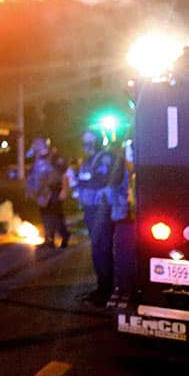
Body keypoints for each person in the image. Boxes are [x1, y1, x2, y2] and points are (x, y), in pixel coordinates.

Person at [76, 130, 128, 306]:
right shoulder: (90, 160)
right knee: (98, 250)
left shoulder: (106, 157)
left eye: (90, 141)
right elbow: (82, 181)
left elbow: (103, 179)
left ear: (98, 141)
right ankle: (102, 287)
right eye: (85, 141)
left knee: (102, 249)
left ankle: (105, 291)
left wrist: (86, 187)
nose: (87, 145)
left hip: (102, 209)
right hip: (92, 209)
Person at [24, 137, 70, 248]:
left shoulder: (54, 158)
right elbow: (32, 176)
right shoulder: (36, 159)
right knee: (46, 216)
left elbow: (65, 174)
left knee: (56, 216)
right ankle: (49, 239)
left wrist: (64, 189)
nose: (35, 147)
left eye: (37, 144)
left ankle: (64, 235)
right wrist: (30, 190)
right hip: (42, 193)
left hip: (53, 190)